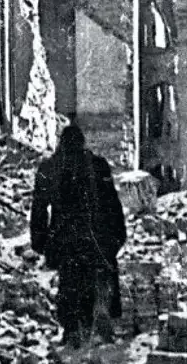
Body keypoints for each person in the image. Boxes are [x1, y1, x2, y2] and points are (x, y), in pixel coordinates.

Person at [30, 125, 126, 349]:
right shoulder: (98, 165)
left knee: (69, 285)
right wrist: (117, 236)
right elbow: (112, 205)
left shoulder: (49, 167)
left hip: (65, 240)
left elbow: (39, 209)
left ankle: (73, 332)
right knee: (96, 282)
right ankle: (97, 330)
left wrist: (40, 242)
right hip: (95, 237)